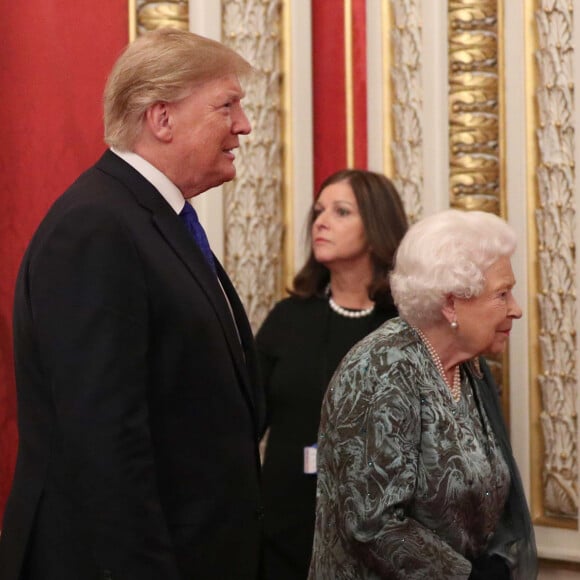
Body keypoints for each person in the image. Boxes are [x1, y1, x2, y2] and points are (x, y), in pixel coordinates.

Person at [0, 28, 265, 580]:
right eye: (227, 106)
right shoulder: (97, 228)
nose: (243, 125)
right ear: (161, 118)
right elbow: (103, 439)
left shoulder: (149, 219)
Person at [309, 209, 538, 580]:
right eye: (502, 294)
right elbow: (373, 523)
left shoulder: (470, 369)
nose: (516, 309)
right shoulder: (381, 369)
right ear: (450, 303)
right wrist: (467, 576)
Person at [256, 169, 409, 580]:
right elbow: (242, 421)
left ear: (377, 226)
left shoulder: (406, 327)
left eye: (341, 212)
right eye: (319, 211)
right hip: (286, 535)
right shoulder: (288, 318)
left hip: (381, 541)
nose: (321, 221)